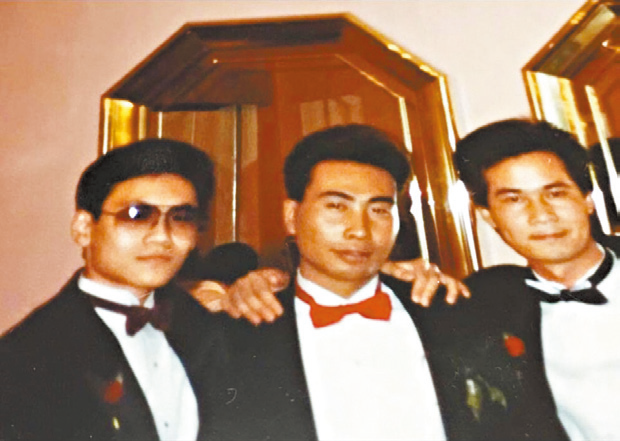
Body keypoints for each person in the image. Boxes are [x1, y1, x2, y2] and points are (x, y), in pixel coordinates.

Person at [200, 124, 563, 441]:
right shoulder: (236, 334)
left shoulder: (452, 310)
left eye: (379, 209)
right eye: (337, 206)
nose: (360, 230)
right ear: (292, 216)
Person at [0, 139, 226, 441]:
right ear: (84, 229)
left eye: (181, 218)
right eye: (137, 215)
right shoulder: (23, 358)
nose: (162, 237)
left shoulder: (206, 325)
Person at [454, 119, 620, 441]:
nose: (541, 214)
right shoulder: (485, 301)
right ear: (489, 216)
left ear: (587, 199)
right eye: (514, 199)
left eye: (555, 193)